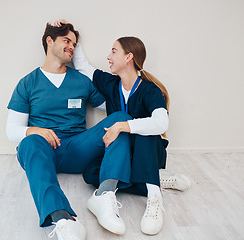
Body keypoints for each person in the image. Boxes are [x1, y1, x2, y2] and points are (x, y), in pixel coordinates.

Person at [54, 20, 191, 236]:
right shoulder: (110, 83)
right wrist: (73, 38)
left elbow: (161, 123)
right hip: (123, 153)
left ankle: (154, 197)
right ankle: (150, 178)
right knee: (91, 174)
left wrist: (124, 126)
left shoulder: (150, 90)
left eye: (114, 51)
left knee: (145, 131)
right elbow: (83, 68)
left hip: (148, 150)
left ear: (129, 57)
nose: (109, 56)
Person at [6, 22, 134, 240]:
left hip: (77, 148)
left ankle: (104, 195)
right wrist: (35, 131)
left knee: (121, 119)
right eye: (66, 41)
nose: (71, 47)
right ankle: (62, 218)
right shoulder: (27, 83)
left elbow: (113, 105)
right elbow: (12, 130)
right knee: (28, 141)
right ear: (49, 41)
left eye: (74, 44)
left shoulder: (82, 80)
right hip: (44, 151)